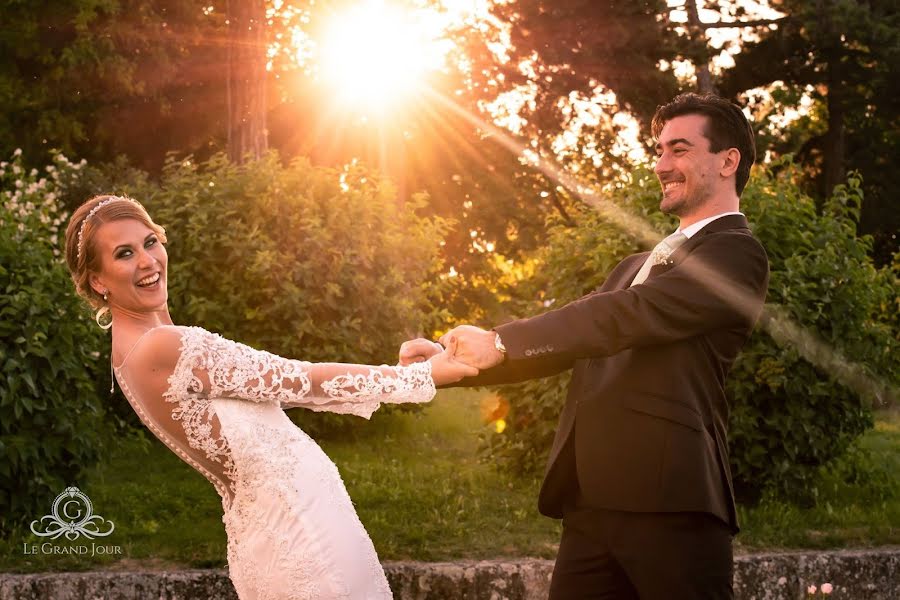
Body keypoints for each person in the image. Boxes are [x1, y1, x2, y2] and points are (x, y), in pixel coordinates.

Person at [401, 93, 770, 599]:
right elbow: (569, 342)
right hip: (590, 501)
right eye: (658, 151)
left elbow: (624, 317)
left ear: (728, 161)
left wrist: (499, 339)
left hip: (671, 501)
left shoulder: (736, 254)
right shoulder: (632, 267)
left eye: (679, 150)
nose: (662, 164)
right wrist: (456, 362)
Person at [64, 195, 477, 600]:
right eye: (124, 253)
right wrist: (422, 376)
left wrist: (402, 374)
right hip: (303, 539)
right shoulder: (163, 346)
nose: (148, 261)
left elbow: (293, 391)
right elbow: (302, 381)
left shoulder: (132, 350)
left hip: (279, 531)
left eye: (150, 242)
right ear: (98, 280)